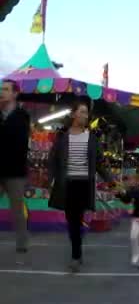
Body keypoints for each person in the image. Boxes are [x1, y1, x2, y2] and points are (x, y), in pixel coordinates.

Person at [48, 101, 111, 273]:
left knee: (77, 219)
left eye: (86, 113)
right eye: (82, 112)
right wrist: (51, 179)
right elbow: (53, 159)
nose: (85, 115)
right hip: (67, 184)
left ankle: (76, 255)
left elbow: (99, 163)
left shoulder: (92, 138)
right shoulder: (63, 136)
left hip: (84, 184)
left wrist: (110, 179)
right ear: (74, 114)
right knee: (72, 221)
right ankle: (77, 250)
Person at [0, 79, 31, 264]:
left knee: (17, 209)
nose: (2, 92)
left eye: (5, 89)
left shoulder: (22, 115)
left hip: (15, 170)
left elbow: (18, 140)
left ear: (14, 94)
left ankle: (22, 241)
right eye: (1, 89)